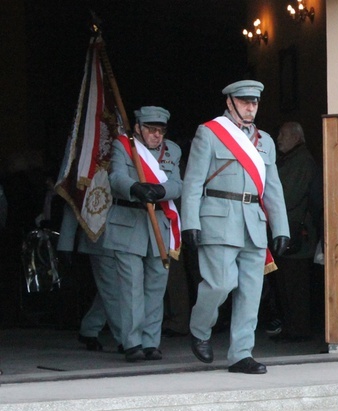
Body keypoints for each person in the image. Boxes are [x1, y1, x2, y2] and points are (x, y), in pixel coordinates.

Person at [181, 80, 289, 375]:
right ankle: (200, 328)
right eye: (244, 102)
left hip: (253, 223)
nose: (250, 107)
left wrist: (281, 228)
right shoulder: (211, 133)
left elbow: (273, 188)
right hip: (218, 218)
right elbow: (192, 182)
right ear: (229, 102)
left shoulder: (264, 141)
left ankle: (241, 353)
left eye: (254, 102)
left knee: (251, 292)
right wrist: (189, 221)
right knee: (220, 284)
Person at [104, 106, 183, 362]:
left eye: (161, 130)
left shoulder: (173, 150)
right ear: (138, 127)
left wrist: (160, 192)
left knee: (156, 285)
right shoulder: (123, 146)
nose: (157, 135)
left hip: (159, 223)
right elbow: (115, 177)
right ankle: (132, 342)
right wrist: (135, 187)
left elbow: (177, 184)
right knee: (131, 286)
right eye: (151, 129)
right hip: (129, 221)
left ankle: (151, 342)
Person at [268, 121, 320, 341]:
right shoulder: (291, 160)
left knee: (295, 285)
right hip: (285, 230)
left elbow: (287, 196)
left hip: (296, 233)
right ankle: (291, 328)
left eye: (282, 134)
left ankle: (298, 330)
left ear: (297, 138)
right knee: (284, 284)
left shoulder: (301, 162)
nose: (278, 139)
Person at [57, 204, 122, 351]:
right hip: (100, 236)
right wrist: (65, 244)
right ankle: (126, 339)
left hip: (125, 235)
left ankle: (90, 328)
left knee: (111, 290)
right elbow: (72, 202)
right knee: (112, 290)